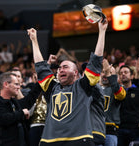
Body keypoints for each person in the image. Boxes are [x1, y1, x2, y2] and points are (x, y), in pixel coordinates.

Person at [27, 18, 108, 146]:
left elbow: (96, 61)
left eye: (65, 67)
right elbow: (40, 67)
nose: (60, 69)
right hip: (50, 141)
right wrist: (34, 40)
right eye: (59, 68)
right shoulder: (52, 88)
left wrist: (102, 31)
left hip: (79, 140)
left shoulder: (83, 86)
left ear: (76, 73)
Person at [0, 72, 41, 146]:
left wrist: (41, 79)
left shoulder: (14, 102)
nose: (19, 87)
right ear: (6, 84)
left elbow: (29, 99)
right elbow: (3, 119)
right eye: (16, 84)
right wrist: (22, 113)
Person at [100, 59, 126, 146]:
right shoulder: (95, 89)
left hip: (110, 131)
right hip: (94, 130)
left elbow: (120, 95)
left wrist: (111, 76)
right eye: (103, 72)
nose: (105, 75)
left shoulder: (120, 88)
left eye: (108, 73)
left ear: (114, 76)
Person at [118, 65, 139, 146]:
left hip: (135, 129)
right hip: (120, 129)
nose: (123, 74)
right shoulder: (117, 92)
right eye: (121, 73)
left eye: (126, 72)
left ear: (132, 76)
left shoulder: (138, 91)